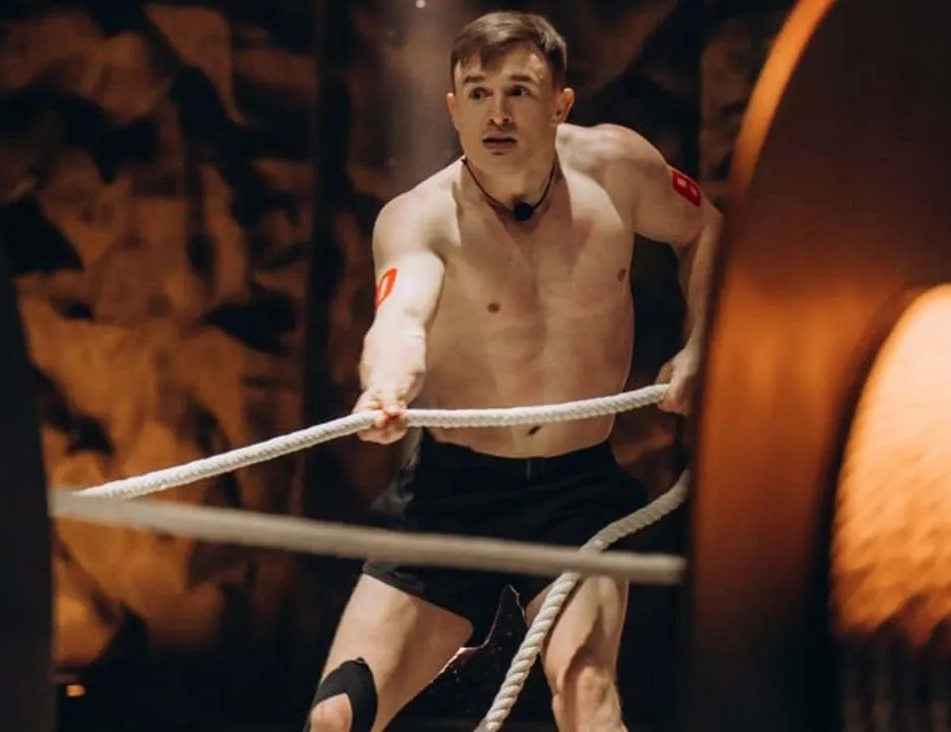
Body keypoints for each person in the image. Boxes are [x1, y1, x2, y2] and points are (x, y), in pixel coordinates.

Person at [304, 10, 720, 732]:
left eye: (519, 92)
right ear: (452, 108)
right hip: (449, 496)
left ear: (561, 103)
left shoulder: (618, 168)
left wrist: (703, 342)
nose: (497, 113)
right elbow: (400, 319)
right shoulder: (418, 217)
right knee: (336, 719)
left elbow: (709, 228)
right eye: (478, 92)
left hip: (575, 495)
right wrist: (387, 385)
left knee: (588, 693)